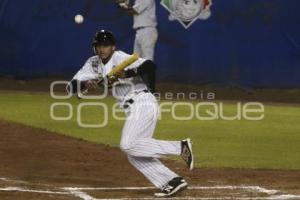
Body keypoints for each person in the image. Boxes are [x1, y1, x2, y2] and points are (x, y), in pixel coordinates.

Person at [67, 30, 194, 197]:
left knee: (127, 145)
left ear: (113, 47)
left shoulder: (120, 58)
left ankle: (179, 147)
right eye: (98, 46)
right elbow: (71, 87)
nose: (101, 49)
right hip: (133, 109)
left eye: (105, 45)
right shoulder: (93, 64)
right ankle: (171, 181)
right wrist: (85, 84)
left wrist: (126, 73)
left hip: (142, 102)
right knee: (134, 154)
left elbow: (149, 66)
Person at [118, 0, 157, 92]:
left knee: (148, 61)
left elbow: (133, 11)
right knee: (135, 61)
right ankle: (137, 89)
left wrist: (124, 6)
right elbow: (131, 11)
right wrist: (125, 5)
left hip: (147, 30)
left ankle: (152, 90)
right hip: (139, 32)